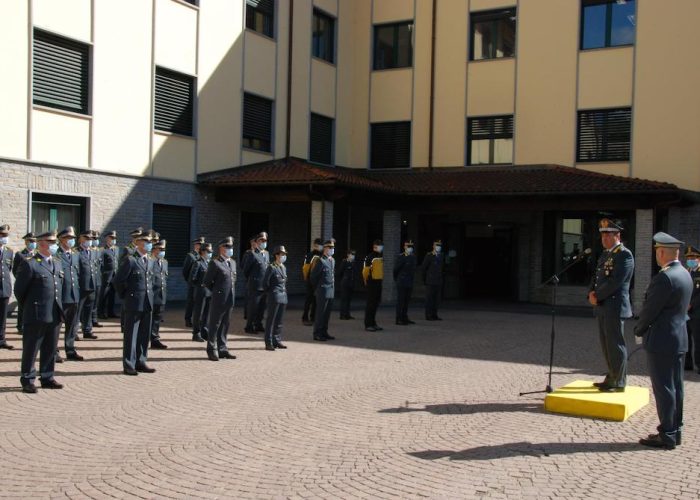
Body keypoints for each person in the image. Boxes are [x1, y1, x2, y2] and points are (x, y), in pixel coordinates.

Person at [635, 232, 693, 450]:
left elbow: (650, 310)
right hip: (679, 338)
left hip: (662, 340)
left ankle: (667, 433)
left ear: (661, 252)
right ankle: (675, 429)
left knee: (664, 387)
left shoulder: (665, 277)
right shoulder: (685, 274)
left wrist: (639, 329)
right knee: (676, 387)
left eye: (657, 251)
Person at [587, 218, 634, 392]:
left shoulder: (624, 254)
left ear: (618, 235)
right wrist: (590, 293)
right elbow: (597, 277)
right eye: (603, 236)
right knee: (606, 344)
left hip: (614, 306)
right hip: (602, 306)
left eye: (608, 235)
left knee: (615, 344)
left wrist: (597, 296)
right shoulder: (606, 254)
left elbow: (616, 282)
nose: (605, 239)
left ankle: (619, 380)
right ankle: (611, 376)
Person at [14, 230, 64, 393]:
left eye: (54, 243)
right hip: (36, 313)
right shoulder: (30, 263)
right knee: (31, 348)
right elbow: (20, 291)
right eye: (51, 243)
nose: (55, 245)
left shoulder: (56, 262)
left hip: (54, 312)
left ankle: (47, 377)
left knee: (50, 347)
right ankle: (28, 379)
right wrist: (31, 307)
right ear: (42, 244)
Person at [113, 230, 156, 375]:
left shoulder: (150, 260)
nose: (150, 245)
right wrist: (126, 296)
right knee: (131, 335)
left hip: (147, 302)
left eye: (151, 242)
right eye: (147, 242)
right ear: (138, 243)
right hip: (133, 302)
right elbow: (118, 280)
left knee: (144, 335)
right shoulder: (130, 260)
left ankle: (141, 361)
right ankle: (129, 364)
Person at [203, 236, 237, 361]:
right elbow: (207, 282)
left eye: (231, 247)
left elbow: (233, 280)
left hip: (230, 299)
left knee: (225, 325)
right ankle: (211, 349)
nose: (230, 249)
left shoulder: (232, 263)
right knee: (214, 325)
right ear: (221, 248)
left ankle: (223, 349)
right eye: (227, 247)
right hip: (219, 299)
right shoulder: (215, 263)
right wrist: (217, 292)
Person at [56, 227, 82, 362]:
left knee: (72, 325)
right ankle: (54, 352)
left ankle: (70, 350)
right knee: (57, 326)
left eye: (73, 239)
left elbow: (78, 275)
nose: (71, 241)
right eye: (69, 239)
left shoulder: (76, 254)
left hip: (74, 295)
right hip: (61, 295)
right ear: (61, 239)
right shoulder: (56, 255)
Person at [263, 245, 289, 351]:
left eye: (284, 255)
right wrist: (272, 293)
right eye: (282, 254)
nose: (284, 256)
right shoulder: (271, 267)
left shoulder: (283, 267)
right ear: (276, 255)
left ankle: (277, 340)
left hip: (283, 296)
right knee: (271, 320)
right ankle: (268, 342)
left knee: (279, 320)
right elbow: (265, 283)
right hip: (274, 296)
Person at [11, 231, 36, 336]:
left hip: (35, 285)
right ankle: (20, 326)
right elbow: (15, 270)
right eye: (31, 241)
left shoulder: (37, 254)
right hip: (24, 285)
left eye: (34, 241)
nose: (33, 243)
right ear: (26, 242)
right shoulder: (20, 255)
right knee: (22, 306)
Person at [244, 231, 269, 334]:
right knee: (253, 308)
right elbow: (246, 270)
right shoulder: (252, 254)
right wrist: (253, 279)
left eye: (265, 240)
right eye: (261, 240)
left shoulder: (266, 253)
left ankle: (258, 324)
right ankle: (249, 326)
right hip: (255, 285)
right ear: (257, 241)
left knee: (261, 308)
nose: (263, 242)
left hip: (264, 285)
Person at [310, 240, 336, 341]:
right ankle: (317, 333)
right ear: (325, 248)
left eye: (333, 248)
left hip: (330, 290)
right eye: (330, 248)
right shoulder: (320, 261)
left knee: (327, 314)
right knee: (320, 313)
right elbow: (313, 277)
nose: (332, 249)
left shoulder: (332, 260)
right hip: (322, 290)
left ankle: (324, 332)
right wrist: (319, 288)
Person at [76, 230, 98, 340]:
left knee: (89, 309)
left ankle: (87, 330)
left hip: (91, 285)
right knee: (77, 310)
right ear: (81, 239)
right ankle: (74, 331)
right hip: (81, 286)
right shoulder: (76, 252)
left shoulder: (93, 252)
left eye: (90, 239)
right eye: (86, 239)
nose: (89, 241)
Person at [190, 243, 212, 343]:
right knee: (199, 313)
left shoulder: (209, 263)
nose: (210, 253)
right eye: (209, 251)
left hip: (209, 292)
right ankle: (196, 333)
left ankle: (204, 330)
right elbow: (192, 278)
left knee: (206, 313)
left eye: (211, 251)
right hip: (200, 292)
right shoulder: (198, 263)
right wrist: (200, 285)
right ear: (203, 251)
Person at [683, 245, 700, 372]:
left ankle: (699, 364)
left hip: (697, 312)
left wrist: (691, 304)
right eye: (689, 257)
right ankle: (687, 363)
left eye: (693, 257)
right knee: (686, 339)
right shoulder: (686, 272)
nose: (691, 259)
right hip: (685, 312)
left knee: (698, 339)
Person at [150, 238, 168, 350]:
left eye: (164, 249)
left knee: (157, 319)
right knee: (149, 319)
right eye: (160, 249)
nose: (162, 251)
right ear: (154, 249)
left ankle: (155, 339)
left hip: (161, 295)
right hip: (151, 295)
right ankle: (146, 338)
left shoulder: (164, 262)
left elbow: (164, 278)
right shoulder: (150, 261)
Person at [394, 240, 417, 325]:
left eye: (411, 247)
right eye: (408, 246)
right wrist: (397, 279)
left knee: (406, 301)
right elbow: (395, 270)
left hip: (409, 282)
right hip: (402, 281)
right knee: (401, 301)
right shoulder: (401, 257)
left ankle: (404, 317)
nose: (410, 248)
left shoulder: (413, 257)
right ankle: (399, 318)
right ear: (404, 247)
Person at [182, 236, 204, 328]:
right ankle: (188, 319)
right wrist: (190, 281)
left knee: (199, 303)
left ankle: (199, 320)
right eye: (200, 244)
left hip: (200, 284)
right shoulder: (190, 256)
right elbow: (185, 271)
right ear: (196, 245)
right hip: (193, 283)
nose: (201, 246)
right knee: (190, 302)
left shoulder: (202, 256)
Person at [422, 239, 445, 321]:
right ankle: (428, 315)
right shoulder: (429, 255)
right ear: (433, 246)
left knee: (436, 299)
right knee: (429, 299)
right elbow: (424, 268)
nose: (438, 247)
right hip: (430, 281)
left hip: (438, 281)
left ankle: (434, 314)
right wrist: (425, 280)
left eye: (440, 246)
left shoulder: (441, 255)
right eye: (437, 245)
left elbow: (442, 268)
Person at [97, 230, 119, 319]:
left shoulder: (116, 249)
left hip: (114, 275)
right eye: (112, 238)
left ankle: (111, 312)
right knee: (104, 294)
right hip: (106, 275)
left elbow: (116, 261)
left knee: (112, 295)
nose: (113, 240)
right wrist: (103, 274)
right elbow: (101, 264)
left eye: (114, 238)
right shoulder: (103, 250)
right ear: (107, 239)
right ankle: (101, 312)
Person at [302, 238, 323, 325]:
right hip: (310, 282)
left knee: (316, 300)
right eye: (318, 245)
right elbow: (305, 268)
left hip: (318, 282)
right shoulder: (310, 255)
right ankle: (305, 317)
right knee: (309, 299)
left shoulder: (322, 255)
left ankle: (313, 317)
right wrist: (307, 279)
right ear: (314, 245)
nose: (319, 247)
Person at [0, 224, 14, 350]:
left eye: (6, 235)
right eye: (2, 235)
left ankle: (2, 339)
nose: (5, 238)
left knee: (3, 316)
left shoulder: (9, 252)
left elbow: (8, 269)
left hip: (4, 288)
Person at [240, 235, 256, 321]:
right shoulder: (248, 253)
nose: (255, 244)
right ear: (251, 243)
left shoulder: (260, 253)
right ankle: (247, 314)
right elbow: (243, 265)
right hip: (249, 278)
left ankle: (254, 314)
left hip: (257, 280)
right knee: (248, 297)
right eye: (254, 242)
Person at [337, 249, 357, 320]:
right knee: (344, 299)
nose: (353, 256)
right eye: (352, 254)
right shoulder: (344, 262)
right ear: (348, 255)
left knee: (349, 300)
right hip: (345, 283)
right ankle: (342, 315)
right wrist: (344, 279)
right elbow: (340, 272)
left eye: (354, 254)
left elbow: (354, 274)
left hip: (351, 284)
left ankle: (347, 314)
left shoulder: (353, 263)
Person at [90, 230, 104, 328]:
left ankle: (94, 319)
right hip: (89, 280)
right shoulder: (88, 251)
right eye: (94, 239)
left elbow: (101, 265)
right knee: (88, 302)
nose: (95, 241)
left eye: (97, 239)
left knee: (96, 301)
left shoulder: (99, 251)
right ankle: (87, 320)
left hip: (97, 278)